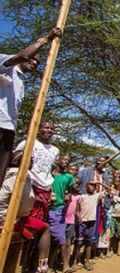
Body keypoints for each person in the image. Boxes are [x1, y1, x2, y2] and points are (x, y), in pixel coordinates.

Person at [0, 27, 62, 186]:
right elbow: (22, 56)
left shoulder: (21, 81)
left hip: (8, 129)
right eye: (33, 59)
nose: (34, 63)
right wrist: (46, 39)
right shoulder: (5, 65)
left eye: (37, 62)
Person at [0, 151, 50, 273]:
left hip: (14, 216)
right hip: (8, 218)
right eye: (29, 160)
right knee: (45, 228)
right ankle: (42, 266)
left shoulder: (20, 175)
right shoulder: (18, 176)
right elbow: (19, 204)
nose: (32, 162)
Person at [15, 121, 60, 222]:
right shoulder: (27, 143)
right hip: (29, 185)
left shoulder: (55, 150)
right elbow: (14, 160)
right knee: (23, 217)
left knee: (38, 220)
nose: (49, 130)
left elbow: (49, 169)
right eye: (46, 128)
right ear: (39, 130)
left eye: (52, 129)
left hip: (45, 189)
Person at [48, 155, 76, 273]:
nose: (66, 162)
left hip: (58, 208)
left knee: (60, 237)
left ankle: (65, 265)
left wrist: (68, 194)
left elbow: (72, 189)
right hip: (44, 207)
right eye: (64, 160)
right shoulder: (48, 174)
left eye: (68, 161)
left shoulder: (68, 177)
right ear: (58, 159)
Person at [75, 183, 105, 271]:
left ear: (95, 188)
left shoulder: (96, 196)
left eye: (93, 186)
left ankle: (87, 262)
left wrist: (99, 183)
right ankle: (75, 262)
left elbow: (110, 190)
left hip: (92, 222)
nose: (90, 187)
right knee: (79, 243)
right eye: (89, 186)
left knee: (89, 243)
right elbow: (77, 209)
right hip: (82, 222)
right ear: (86, 187)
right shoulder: (82, 197)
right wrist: (78, 216)